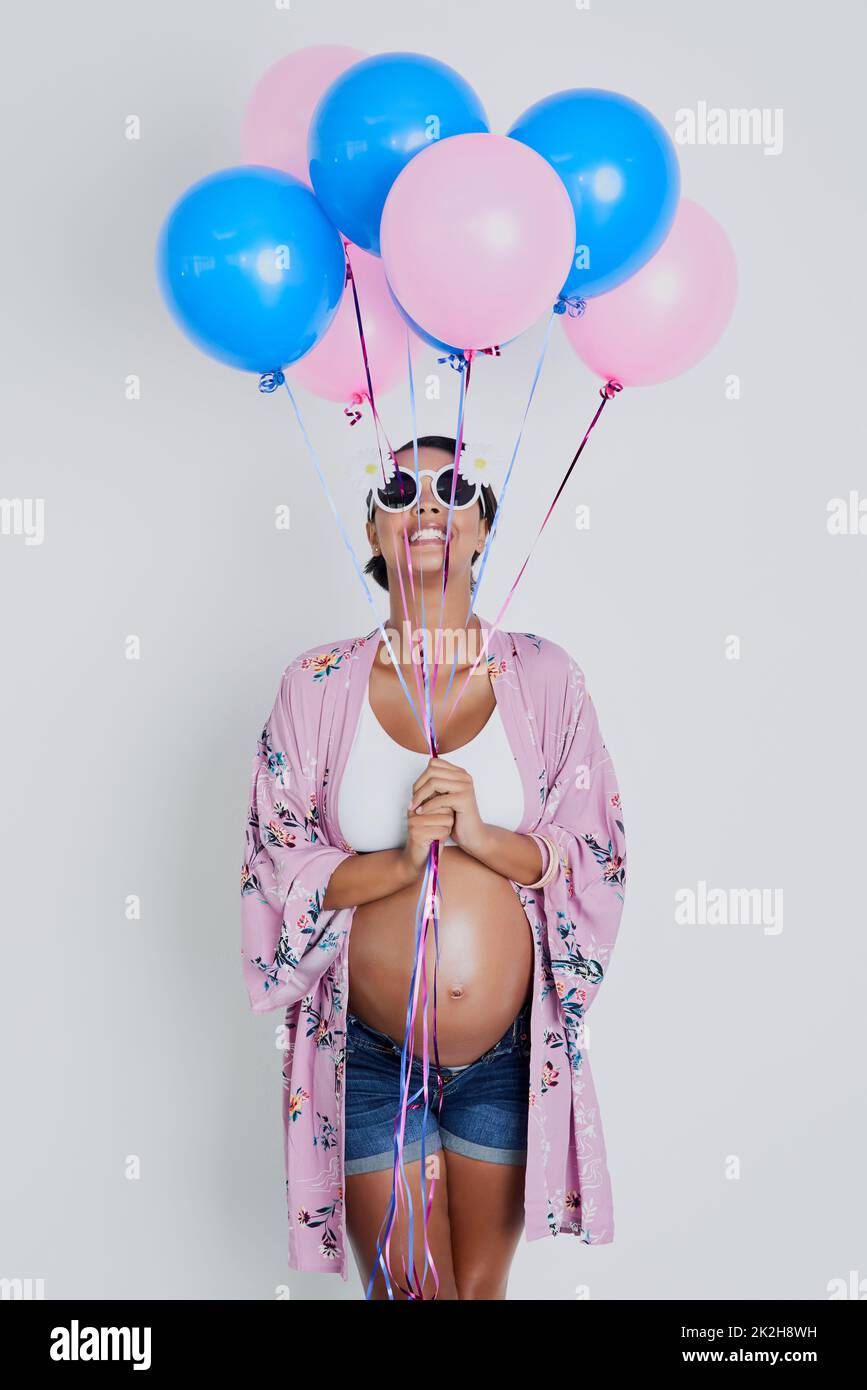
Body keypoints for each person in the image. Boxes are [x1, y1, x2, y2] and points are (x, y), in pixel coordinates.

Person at [240, 435, 627, 1300]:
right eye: (399, 489)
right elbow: (275, 860)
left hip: (505, 1054)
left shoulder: (545, 677)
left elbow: (596, 848)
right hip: (369, 1057)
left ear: (482, 529)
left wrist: (486, 839)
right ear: (373, 532)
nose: (424, 505)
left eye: (451, 487)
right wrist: (399, 859)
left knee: (475, 1297)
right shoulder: (315, 684)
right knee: (413, 1295)